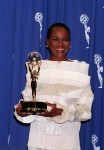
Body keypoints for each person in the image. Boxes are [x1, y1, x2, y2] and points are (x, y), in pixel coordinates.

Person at [14, 23, 94, 150]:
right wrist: (22, 110)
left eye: (65, 40)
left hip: (68, 143)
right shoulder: (35, 67)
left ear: (70, 43)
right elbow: (29, 100)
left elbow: (85, 111)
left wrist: (62, 112)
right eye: (55, 39)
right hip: (38, 142)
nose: (61, 45)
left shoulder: (80, 69)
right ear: (47, 42)